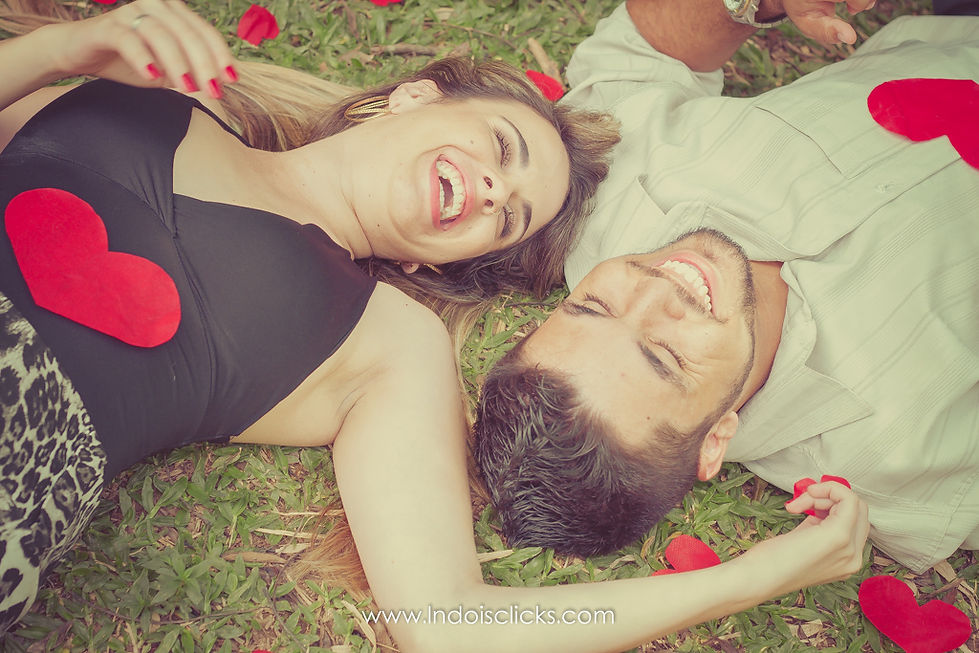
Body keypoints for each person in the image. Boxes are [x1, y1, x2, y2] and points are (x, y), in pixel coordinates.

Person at [0, 1, 870, 649]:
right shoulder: (161, 97)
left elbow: (449, 622)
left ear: (437, 265)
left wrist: (757, 574)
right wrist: (53, 52)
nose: (494, 190)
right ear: (413, 96)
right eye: (502, 148)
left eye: (508, 216)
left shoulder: (384, 343)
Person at [475, 0, 979, 577]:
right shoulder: (898, 465)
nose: (656, 287)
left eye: (593, 305)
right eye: (664, 355)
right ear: (715, 439)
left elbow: (641, 47)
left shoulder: (607, 190)